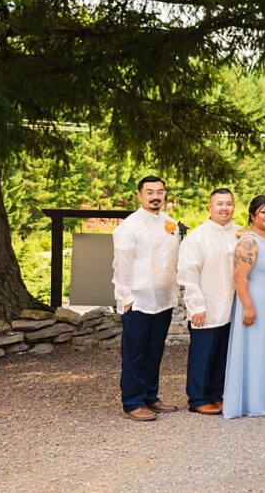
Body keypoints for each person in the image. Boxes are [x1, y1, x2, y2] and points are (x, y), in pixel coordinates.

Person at [111, 175, 181, 421]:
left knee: (155, 350)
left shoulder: (170, 223)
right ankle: (132, 401)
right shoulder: (129, 227)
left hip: (163, 299)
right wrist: (125, 298)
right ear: (139, 195)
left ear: (165, 194)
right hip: (138, 300)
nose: (155, 196)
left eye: (160, 192)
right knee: (135, 353)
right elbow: (121, 266)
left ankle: (151, 396)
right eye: (149, 192)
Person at [223, 195, 265, 418]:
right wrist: (248, 307)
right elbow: (239, 277)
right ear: (252, 215)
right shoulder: (248, 241)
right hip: (255, 301)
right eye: (263, 211)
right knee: (256, 350)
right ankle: (254, 401)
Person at [176, 188, 242, 415]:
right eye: (220, 204)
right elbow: (188, 275)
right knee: (203, 354)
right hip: (208, 304)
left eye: (229, 204)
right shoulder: (197, 237)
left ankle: (216, 394)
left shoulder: (240, 233)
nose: (225, 208)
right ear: (210, 207)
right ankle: (197, 398)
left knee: (223, 354)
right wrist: (196, 306)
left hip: (232, 304)